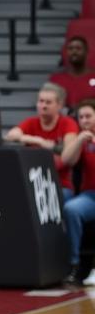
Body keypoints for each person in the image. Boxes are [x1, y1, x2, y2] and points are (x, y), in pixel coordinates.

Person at [5, 83, 80, 197]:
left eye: (48, 102)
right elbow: (11, 135)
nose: (43, 105)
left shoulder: (68, 123)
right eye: (41, 101)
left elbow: (69, 155)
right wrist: (39, 141)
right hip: (32, 184)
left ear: (60, 105)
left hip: (60, 184)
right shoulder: (31, 122)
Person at [62, 99, 95, 286]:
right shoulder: (81, 139)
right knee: (71, 209)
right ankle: (75, 265)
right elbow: (67, 160)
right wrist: (79, 140)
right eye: (81, 117)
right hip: (90, 195)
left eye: (88, 116)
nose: (84, 120)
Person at [50, 36, 95, 111]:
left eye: (78, 48)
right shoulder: (56, 80)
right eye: (70, 49)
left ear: (86, 51)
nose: (74, 52)